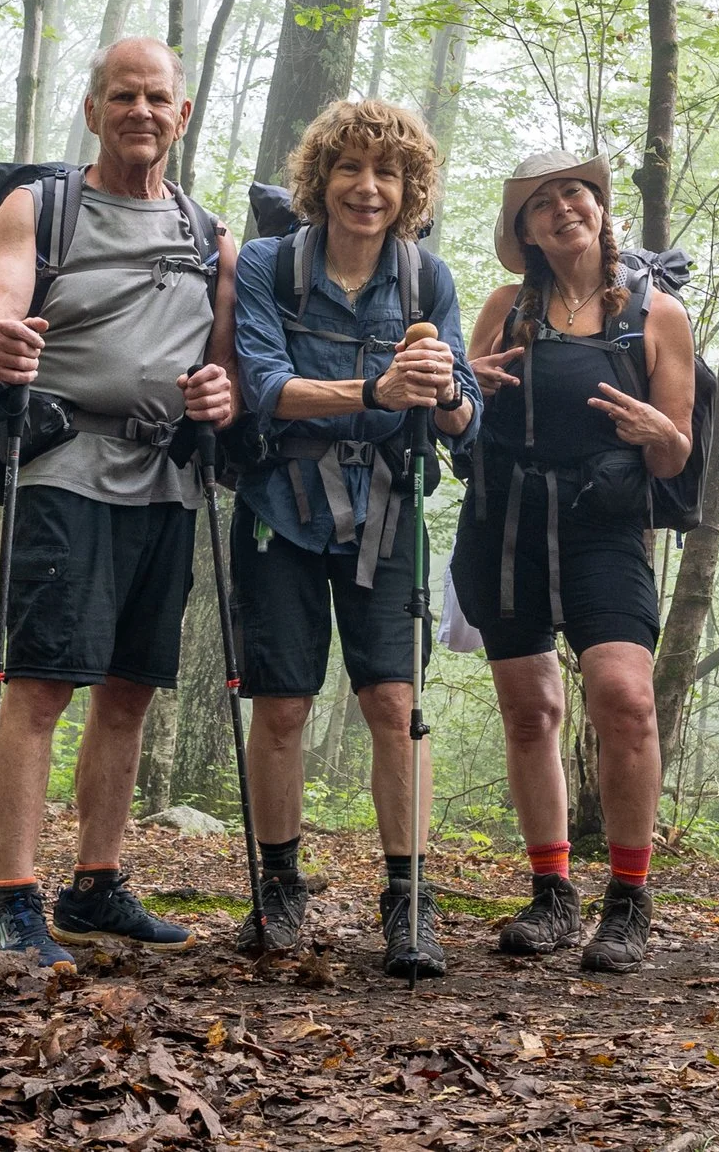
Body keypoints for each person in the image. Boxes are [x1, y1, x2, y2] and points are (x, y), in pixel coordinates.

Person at [0, 37, 239, 968]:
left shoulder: (210, 236)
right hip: (63, 466)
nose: (140, 111)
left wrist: (219, 395)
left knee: (129, 688)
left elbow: (230, 370)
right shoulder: (39, 205)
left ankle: (97, 880)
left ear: (183, 114)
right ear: (93, 110)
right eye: (122, 95)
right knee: (42, 682)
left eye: (157, 97)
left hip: (166, 480)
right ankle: (12, 899)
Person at [228, 101, 478, 978]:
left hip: (389, 514)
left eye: (389, 173)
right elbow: (262, 384)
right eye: (350, 168)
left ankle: (409, 900)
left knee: (394, 707)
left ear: (410, 190)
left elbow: (464, 415)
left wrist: (445, 392)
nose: (367, 187)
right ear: (320, 178)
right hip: (280, 512)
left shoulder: (427, 280)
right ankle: (280, 883)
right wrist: (376, 390)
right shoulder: (268, 266)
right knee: (284, 705)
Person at [451, 151, 696, 974]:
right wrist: (465, 393)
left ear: (600, 207)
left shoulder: (657, 314)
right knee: (530, 712)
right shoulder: (504, 308)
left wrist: (659, 436)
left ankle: (629, 899)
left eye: (576, 193)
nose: (565, 208)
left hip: (605, 527)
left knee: (625, 700)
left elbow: (678, 459)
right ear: (523, 231)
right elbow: (457, 421)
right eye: (543, 202)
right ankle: (552, 891)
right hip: (506, 525)